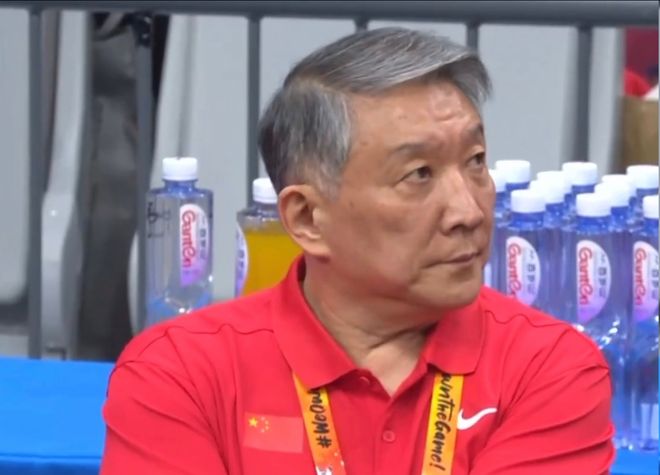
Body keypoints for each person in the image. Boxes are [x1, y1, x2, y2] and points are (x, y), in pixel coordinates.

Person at [101, 27, 614, 474]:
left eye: (476, 161)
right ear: (307, 218)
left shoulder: (549, 370)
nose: (469, 211)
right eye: (419, 174)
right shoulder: (180, 373)